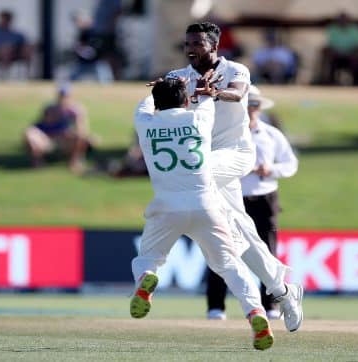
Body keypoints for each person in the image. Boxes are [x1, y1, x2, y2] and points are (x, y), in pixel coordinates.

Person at [166, 22, 303, 332]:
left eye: (197, 43)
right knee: (237, 234)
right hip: (205, 160)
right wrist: (160, 96)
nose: (190, 48)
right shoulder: (179, 77)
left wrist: (214, 92)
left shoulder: (236, 70)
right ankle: (282, 290)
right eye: (187, 43)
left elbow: (237, 93)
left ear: (214, 47)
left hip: (236, 153)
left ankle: (276, 289)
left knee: (200, 179)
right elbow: (164, 107)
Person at [130, 77, 274, 351]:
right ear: (185, 101)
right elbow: (208, 98)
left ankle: (145, 280)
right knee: (230, 265)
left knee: (147, 260)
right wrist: (199, 89)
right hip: (206, 203)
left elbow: (144, 105)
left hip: (165, 206)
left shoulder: (145, 122)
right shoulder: (198, 119)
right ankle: (255, 312)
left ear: (157, 102)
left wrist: (159, 87)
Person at [206, 85, 298, 320]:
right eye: (247, 106)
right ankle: (216, 307)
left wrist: (270, 170)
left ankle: (272, 306)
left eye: (254, 106)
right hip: (230, 199)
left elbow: (290, 164)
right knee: (221, 250)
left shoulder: (271, 134)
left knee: (267, 250)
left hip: (263, 198)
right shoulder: (224, 135)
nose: (251, 110)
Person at [23, 85, 93, 173]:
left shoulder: (76, 110)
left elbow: (82, 129)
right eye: (62, 96)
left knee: (81, 136)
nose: (63, 99)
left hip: (65, 139)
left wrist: (72, 132)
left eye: (66, 96)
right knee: (30, 134)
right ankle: (37, 162)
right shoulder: (49, 109)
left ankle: (74, 161)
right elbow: (39, 126)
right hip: (48, 138)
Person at [321, 12, 358, 85]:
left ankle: (356, 81)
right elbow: (328, 45)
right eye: (340, 20)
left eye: (345, 20)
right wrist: (335, 52)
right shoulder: (332, 29)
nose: (343, 21)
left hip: (351, 55)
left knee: (357, 57)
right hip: (336, 55)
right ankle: (329, 81)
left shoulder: (356, 30)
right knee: (329, 56)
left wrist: (351, 53)